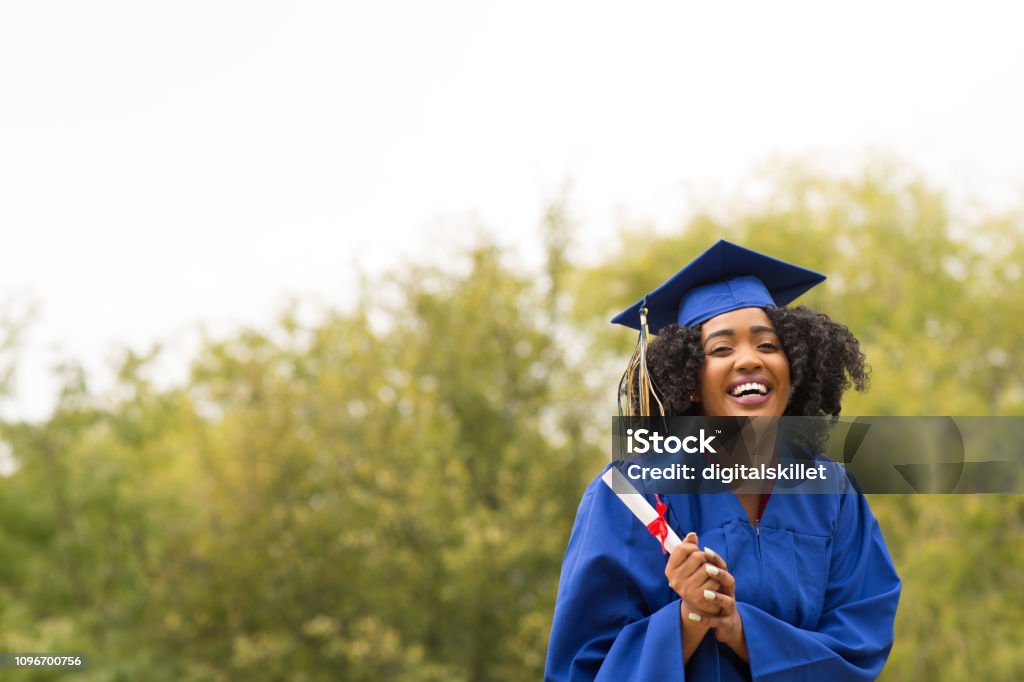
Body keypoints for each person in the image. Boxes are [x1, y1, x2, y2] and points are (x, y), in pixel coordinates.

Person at [544, 240, 901, 681]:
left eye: (768, 344)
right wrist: (688, 619)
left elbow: (860, 647)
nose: (749, 359)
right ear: (689, 379)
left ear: (795, 368)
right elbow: (582, 667)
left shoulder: (832, 492)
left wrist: (739, 629)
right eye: (721, 349)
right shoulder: (630, 494)